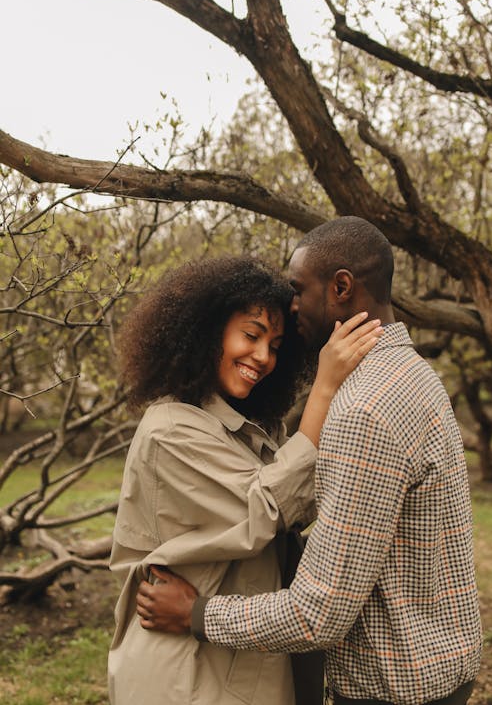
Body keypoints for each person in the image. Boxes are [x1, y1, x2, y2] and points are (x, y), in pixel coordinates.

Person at [136, 218, 482, 705]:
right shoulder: (413, 373)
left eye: (297, 289)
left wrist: (197, 614)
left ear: (341, 286)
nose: (291, 304)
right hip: (434, 667)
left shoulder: (364, 408)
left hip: (396, 688)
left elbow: (317, 614)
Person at [108, 254, 382, 705]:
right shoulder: (171, 429)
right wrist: (326, 387)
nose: (263, 357)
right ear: (207, 331)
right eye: (251, 335)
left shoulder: (244, 425)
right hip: (188, 673)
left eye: (275, 345)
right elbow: (269, 506)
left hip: (234, 658)